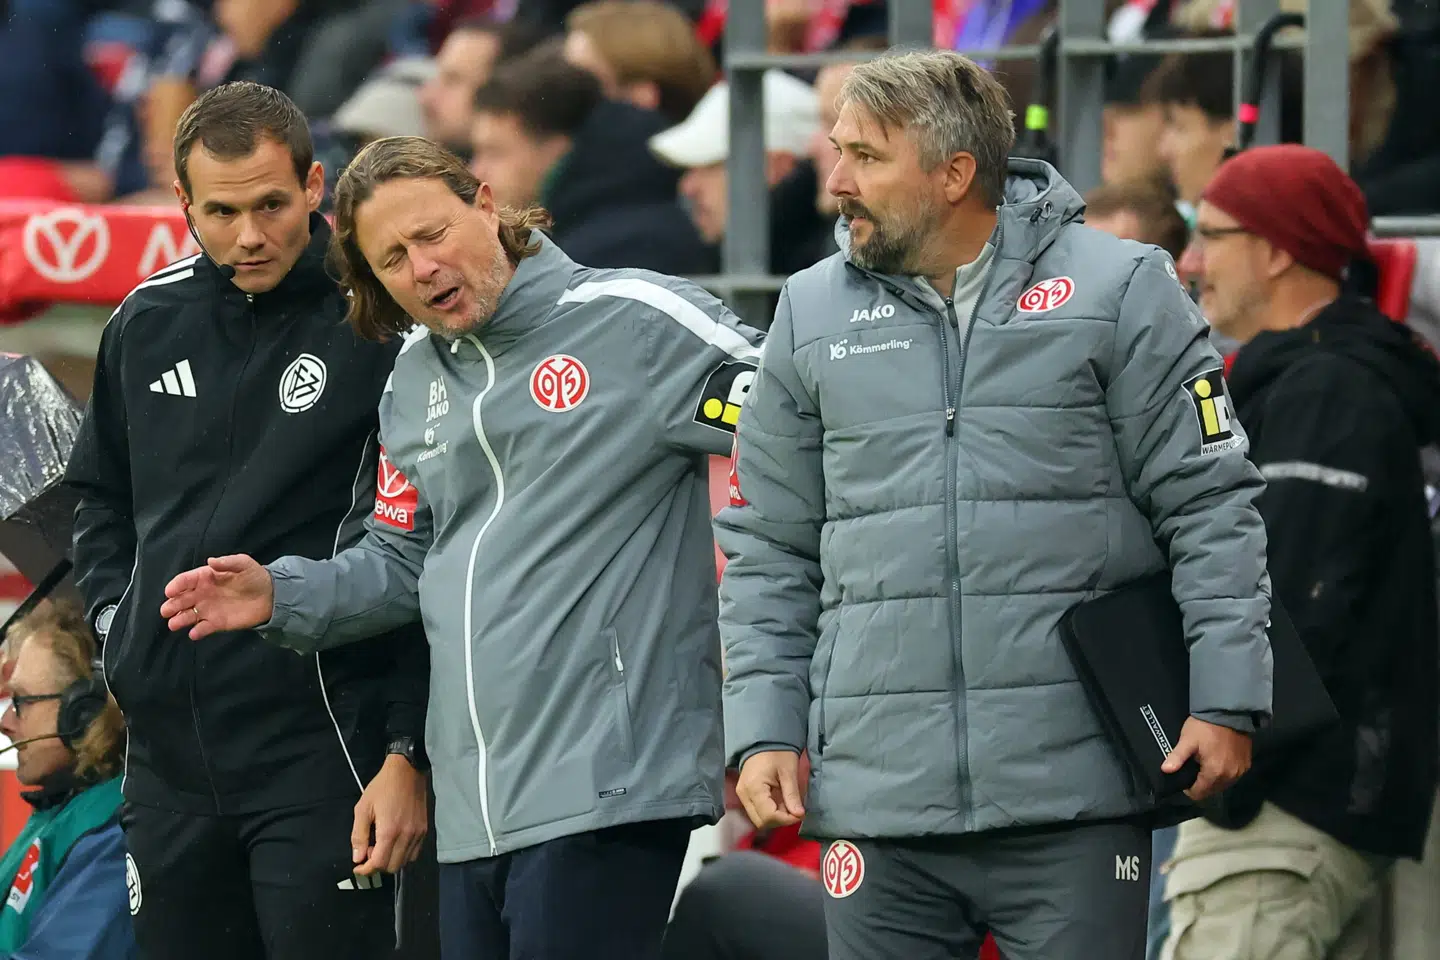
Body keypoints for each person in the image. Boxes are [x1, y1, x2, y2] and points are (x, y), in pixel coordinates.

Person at [717, 49, 1273, 960]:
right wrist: (765, 727)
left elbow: (1210, 505)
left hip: (1075, 796)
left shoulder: (1123, 287)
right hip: (878, 798)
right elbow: (770, 546)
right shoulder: (807, 311)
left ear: (954, 173)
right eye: (837, 150)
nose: (836, 182)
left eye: (865, 156)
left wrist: (1227, 697)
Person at [156, 135, 766, 960]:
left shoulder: (634, 321)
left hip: (610, 784)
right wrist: (283, 593)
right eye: (393, 259)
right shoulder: (413, 383)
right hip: (474, 808)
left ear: (485, 203)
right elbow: (402, 560)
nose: (423, 269)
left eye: (433, 234)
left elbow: (793, 413)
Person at [63, 81, 431, 960]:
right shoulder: (145, 321)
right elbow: (100, 502)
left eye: (271, 204)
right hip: (170, 764)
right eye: (221, 211)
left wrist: (407, 749)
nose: (249, 235)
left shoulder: (383, 323)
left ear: (315, 185)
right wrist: (118, 627)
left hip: (324, 749)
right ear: (183, 202)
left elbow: (428, 549)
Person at [1161, 144, 1439, 960]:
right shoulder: (1326, 379)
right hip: (1320, 805)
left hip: (1281, 815)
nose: (1192, 261)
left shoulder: (1327, 391)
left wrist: (1223, 775)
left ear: (1280, 250)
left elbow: (1291, 611)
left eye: (1212, 234)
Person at [469, 51, 713, 275]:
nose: (477, 171)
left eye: (495, 152)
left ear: (556, 149)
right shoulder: (582, 224)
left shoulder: (616, 252)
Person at [0, 600, 135, 959]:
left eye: (20, 701)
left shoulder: (113, 833)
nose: (6, 722)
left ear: (83, 711)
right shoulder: (58, 812)